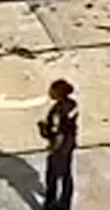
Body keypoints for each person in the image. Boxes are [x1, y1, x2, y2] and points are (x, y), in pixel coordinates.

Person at [37, 79, 78, 210]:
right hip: (70, 143)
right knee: (66, 174)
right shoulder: (73, 104)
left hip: (59, 147)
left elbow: (57, 132)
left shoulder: (57, 111)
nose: (49, 92)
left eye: (52, 90)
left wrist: (44, 131)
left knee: (52, 176)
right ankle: (66, 202)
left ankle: (50, 203)